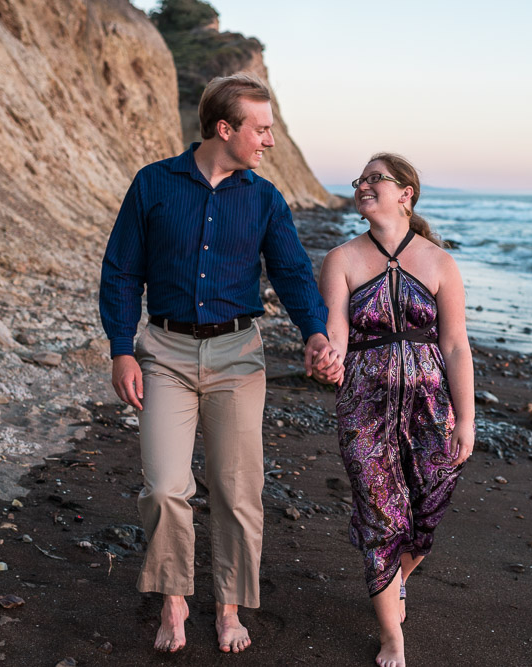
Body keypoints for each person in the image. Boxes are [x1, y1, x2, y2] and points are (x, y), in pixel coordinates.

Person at [99, 73, 339, 654]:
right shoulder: (154, 184)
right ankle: (174, 600)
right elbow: (123, 271)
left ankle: (229, 608)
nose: (270, 142)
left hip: (238, 357)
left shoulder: (263, 197)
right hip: (165, 354)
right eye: (262, 129)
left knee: (237, 491)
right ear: (224, 129)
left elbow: (291, 273)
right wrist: (121, 348)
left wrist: (315, 332)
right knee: (163, 488)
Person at [319, 153, 475, 667]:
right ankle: (392, 638)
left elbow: (455, 346)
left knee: (426, 513)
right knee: (384, 518)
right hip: (364, 407)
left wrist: (467, 418)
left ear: (406, 193)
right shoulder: (341, 260)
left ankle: (394, 576)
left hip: (432, 410)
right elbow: (337, 334)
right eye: (360, 179)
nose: (363, 185)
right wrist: (328, 359)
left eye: (374, 178)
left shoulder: (439, 262)